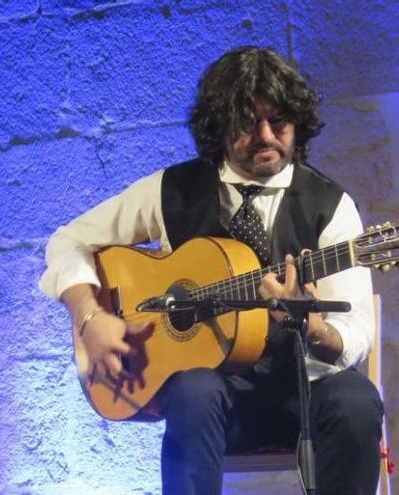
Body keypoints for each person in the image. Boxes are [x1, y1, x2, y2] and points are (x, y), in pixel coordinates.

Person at [39, 47, 383, 495]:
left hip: (301, 395)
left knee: (356, 402)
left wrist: (315, 328)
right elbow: (68, 240)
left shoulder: (330, 206)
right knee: (194, 392)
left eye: (278, 122)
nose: (265, 136)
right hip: (212, 405)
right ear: (218, 127)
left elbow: (356, 329)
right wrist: (90, 316)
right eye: (247, 123)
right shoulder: (170, 190)